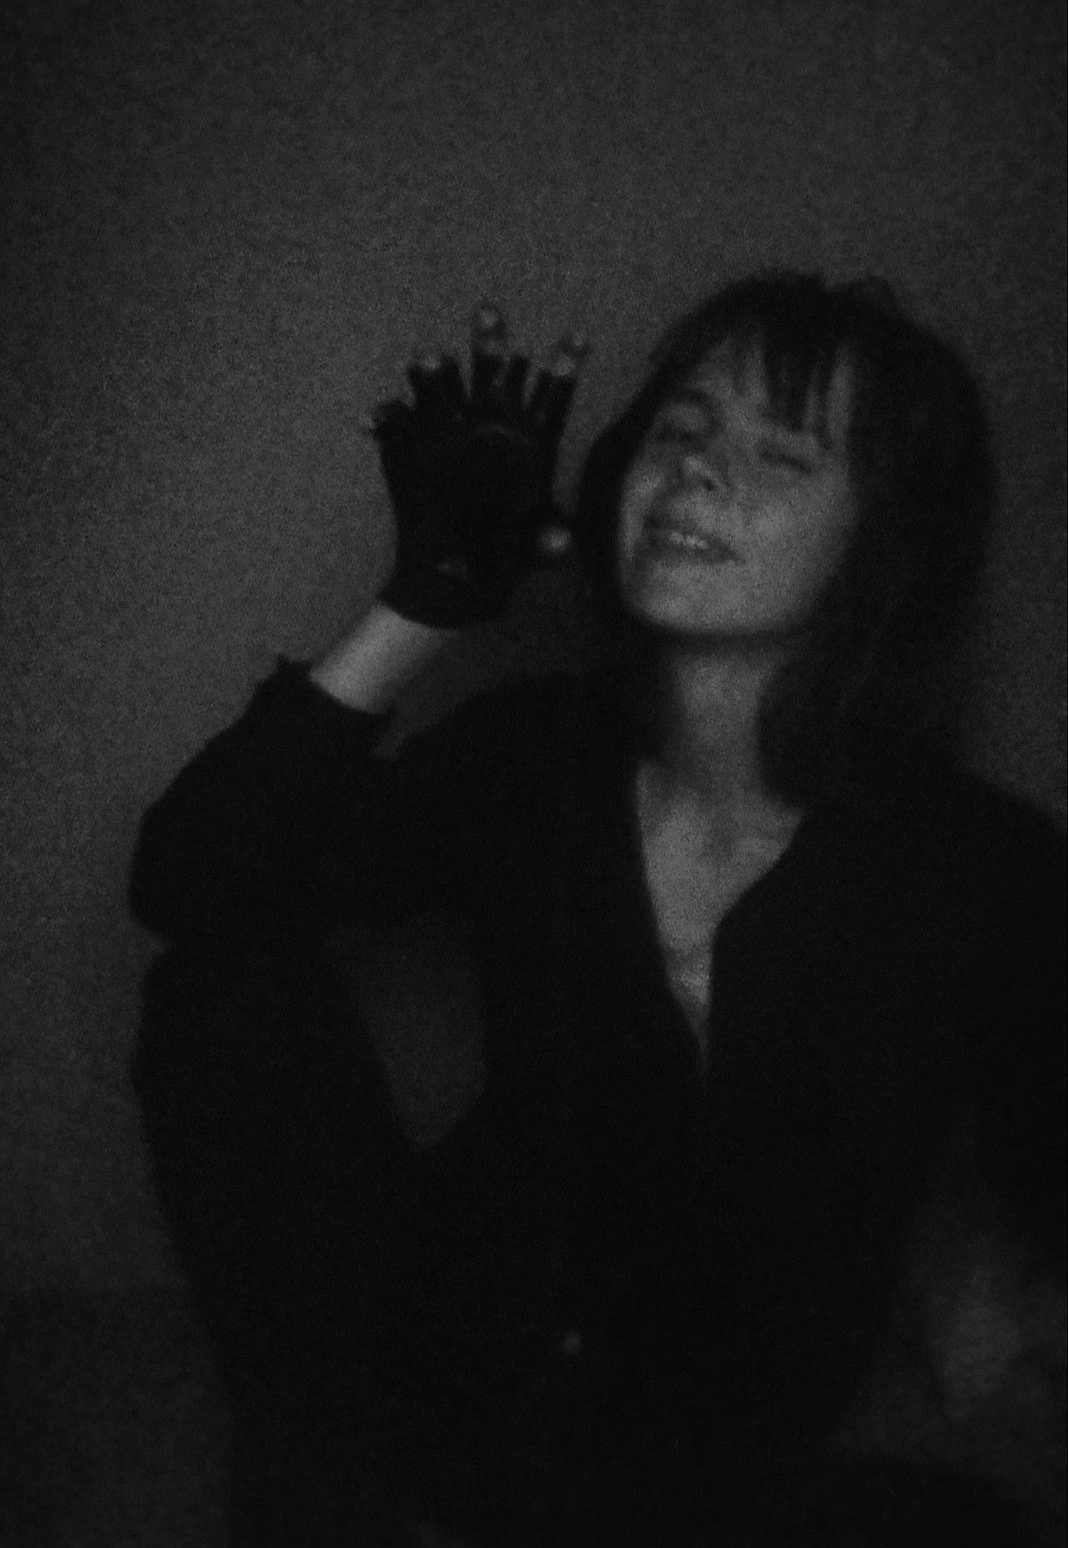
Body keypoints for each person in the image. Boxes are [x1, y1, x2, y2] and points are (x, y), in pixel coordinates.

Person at [129, 274, 1064, 1546]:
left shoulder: (980, 871)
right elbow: (194, 890)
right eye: (679, 432)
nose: (696, 473)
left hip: (711, 1445)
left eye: (781, 454)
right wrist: (427, 599)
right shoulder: (532, 755)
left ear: (883, 542)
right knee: (217, 995)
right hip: (445, 1346)